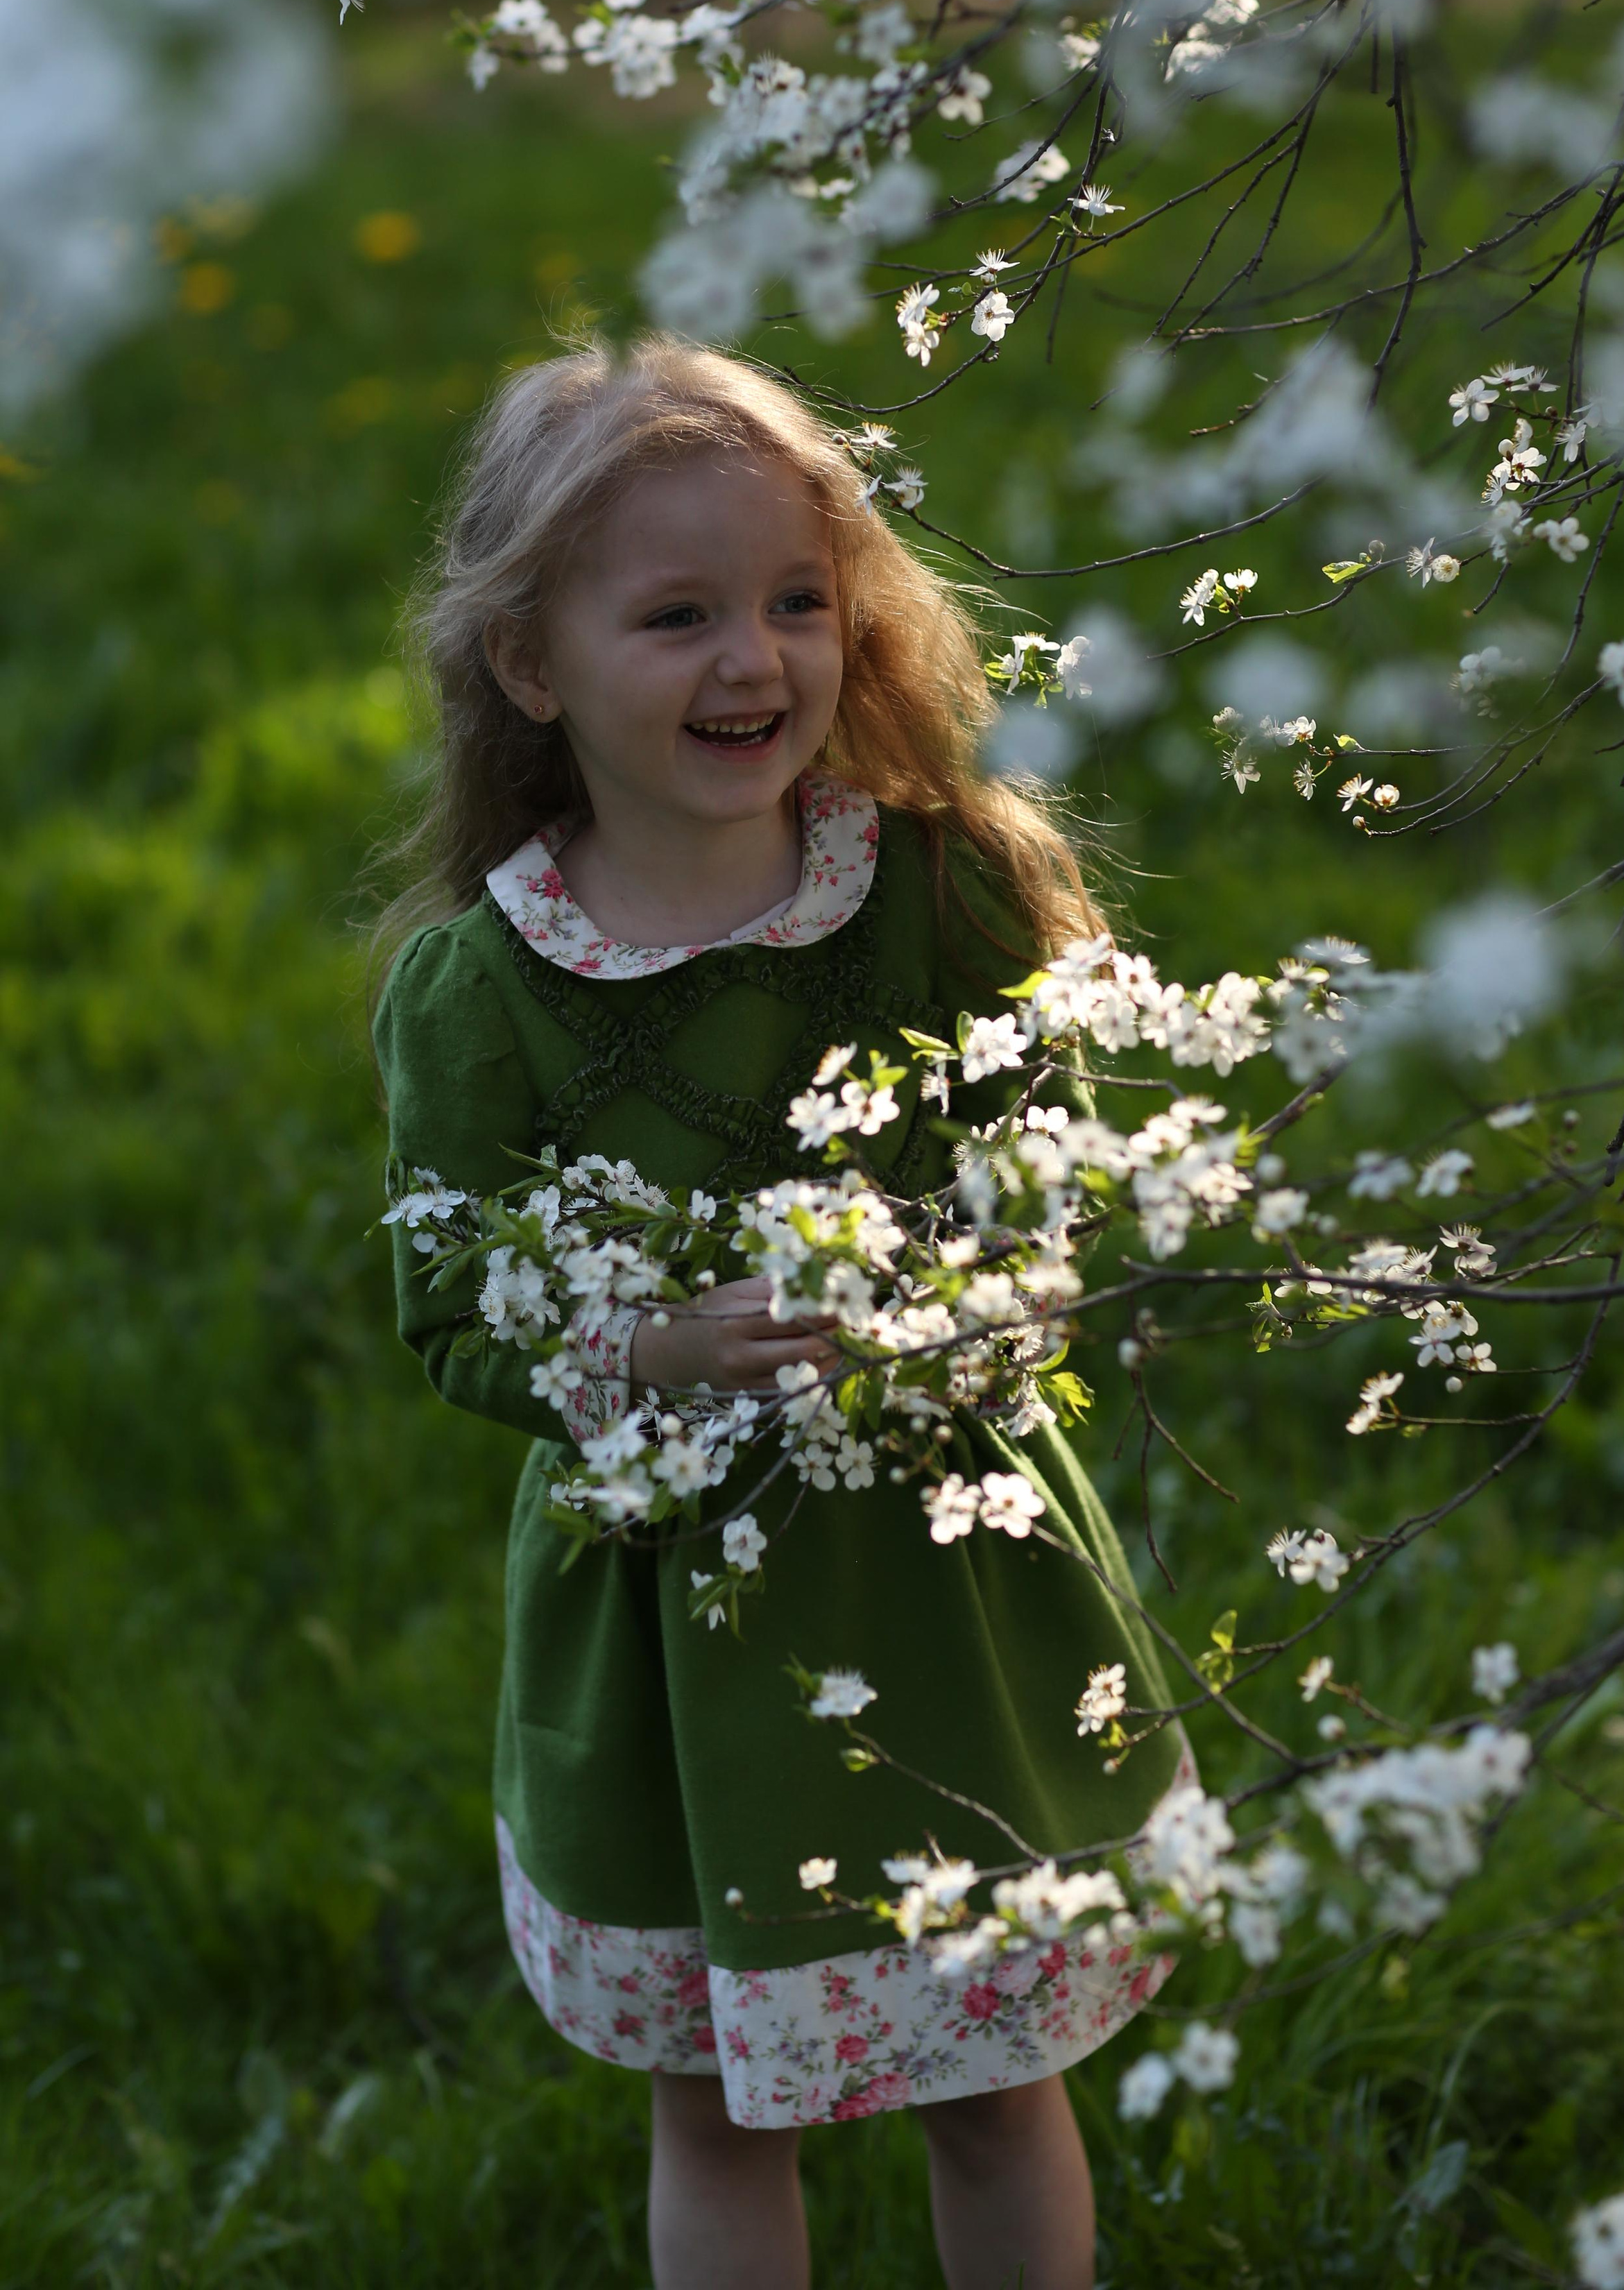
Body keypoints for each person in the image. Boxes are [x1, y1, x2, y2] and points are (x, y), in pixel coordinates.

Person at [372, 336, 1181, 2290]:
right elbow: (452, 1303)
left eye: (797, 602)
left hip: (943, 1584)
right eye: (679, 617)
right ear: (532, 664)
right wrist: (653, 1351)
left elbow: (1057, 1177)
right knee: (724, 2103)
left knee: (992, 2072)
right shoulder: (483, 995)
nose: (754, 660)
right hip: (675, 1638)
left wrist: (970, 1291)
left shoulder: (940, 896)